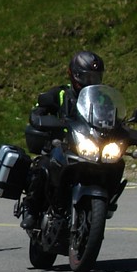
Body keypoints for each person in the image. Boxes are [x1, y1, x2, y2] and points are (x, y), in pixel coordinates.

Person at [26, 50, 104, 209]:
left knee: (114, 163)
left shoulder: (102, 97)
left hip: (90, 146)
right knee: (44, 168)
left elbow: (112, 115)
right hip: (60, 145)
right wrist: (40, 118)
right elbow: (39, 110)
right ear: (75, 76)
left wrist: (121, 127)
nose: (91, 81)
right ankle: (31, 209)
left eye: (95, 77)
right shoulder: (60, 93)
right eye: (87, 77)